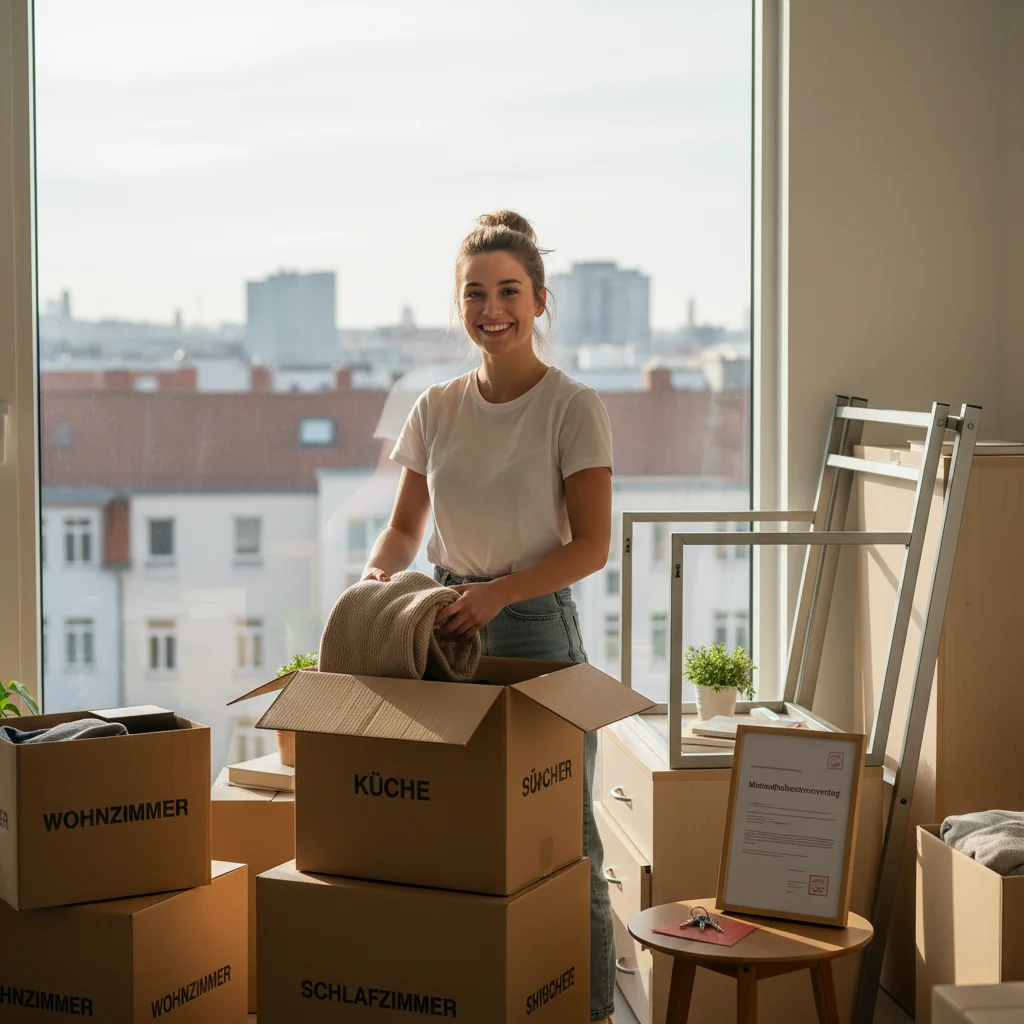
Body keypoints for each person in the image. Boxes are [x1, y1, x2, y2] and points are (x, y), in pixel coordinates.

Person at [362, 210, 617, 1022]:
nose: (492, 308)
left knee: (563, 836)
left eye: (509, 291)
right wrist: (377, 574)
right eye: (476, 293)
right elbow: (406, 527)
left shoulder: (573, 406)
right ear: (459, 306)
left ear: (540, 301)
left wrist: (500, 594)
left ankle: (589, 1010)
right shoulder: (435, 406)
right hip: (441, 623)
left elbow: (592, 546)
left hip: (535, 625)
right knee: (459, 826)